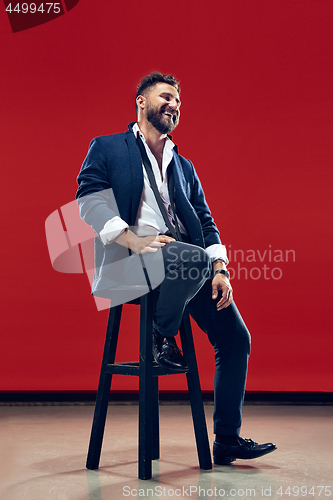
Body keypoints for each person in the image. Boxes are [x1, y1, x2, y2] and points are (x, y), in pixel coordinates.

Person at [76, 72, 277, 465]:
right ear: (140, 101)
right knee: (191, 256)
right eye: (166, 97)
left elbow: (205, 220)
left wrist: (220, 267)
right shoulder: (108, 147)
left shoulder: (184, 166)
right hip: (133, 260)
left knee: (236, 338)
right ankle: (160, 337)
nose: (174, 105)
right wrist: (130, 237)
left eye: (179, 102)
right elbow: (87, 198)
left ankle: (227, 439)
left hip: (187, 265)